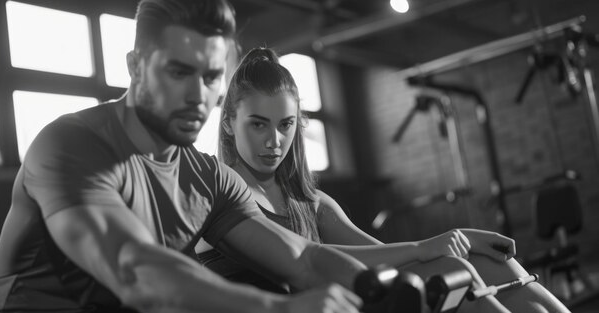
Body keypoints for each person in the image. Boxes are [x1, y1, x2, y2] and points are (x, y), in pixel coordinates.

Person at [0, 1, 373, 312]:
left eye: (211, 77)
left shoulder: (209, 178)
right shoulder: (71, 144)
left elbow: (302, 257)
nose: (198, 96)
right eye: (179, 72)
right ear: (135, 68)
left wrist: (380, 291)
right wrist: (280, 308)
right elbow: (133, 271)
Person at [196, 46, 572, 313]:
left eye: (285, 125)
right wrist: (423, 248)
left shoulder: (310, 203)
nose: (273, 142)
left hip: (349, 300)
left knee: (472, 265)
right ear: (228, 122)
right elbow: (310, 261)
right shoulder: (220, 191)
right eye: (258, 124)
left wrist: (455, 241)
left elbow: (383, 261)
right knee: (447, 270)